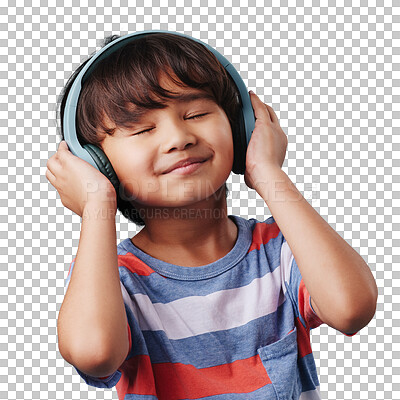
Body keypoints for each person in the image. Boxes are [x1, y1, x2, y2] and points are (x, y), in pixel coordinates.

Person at [45, 32, 378, 400]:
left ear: (241, 126)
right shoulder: (113, 277)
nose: (179, 137)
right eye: (142, 129)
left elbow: (351, 308)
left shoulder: (280, 251)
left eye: (197, 113)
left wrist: (268, 174)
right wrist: (97, 206)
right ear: (99, 165)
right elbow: (95, 353)